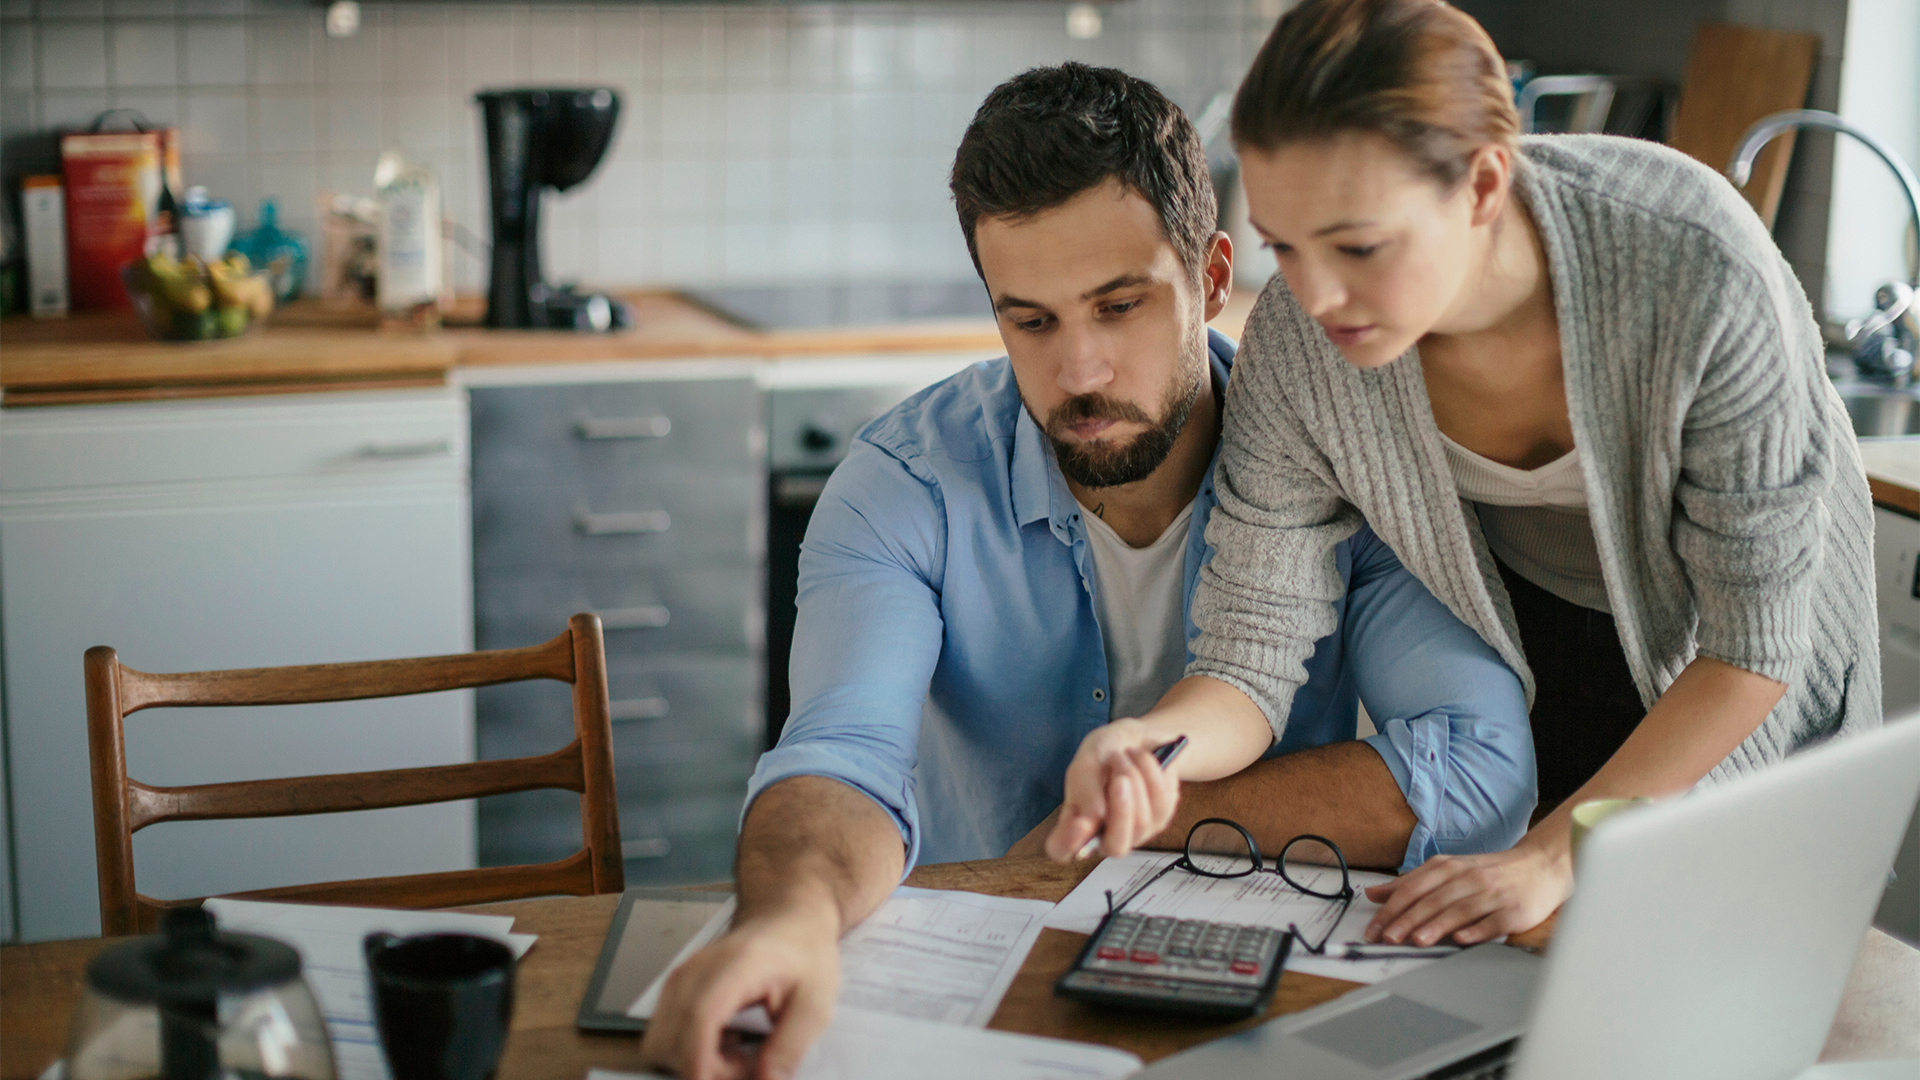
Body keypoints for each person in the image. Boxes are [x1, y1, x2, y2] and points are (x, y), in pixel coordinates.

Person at [639, 63, 1537, 1080]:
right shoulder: (904, 485)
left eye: (1119, 307)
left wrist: (1127, 828)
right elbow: (844, 755)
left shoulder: (1337, 470)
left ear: (1210, 277)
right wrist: (789, 925)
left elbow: (1479, 768)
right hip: (969, 1006)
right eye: (1032, 320)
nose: (1080, 374)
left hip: (1253, 1009)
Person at [1046, 0, 1880, 954]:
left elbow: (1752, 649)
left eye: (1358, 246)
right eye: (1284, 246)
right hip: (1545, 645)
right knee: (1536, 973)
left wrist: (1555, 855)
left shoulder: (1696, 267)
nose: (1315, 298)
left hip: (1735, 676)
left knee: (1736, 961)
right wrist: (1155, 747)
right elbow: (1251, 654)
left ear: (1484, 183)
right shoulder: (1299, 348)